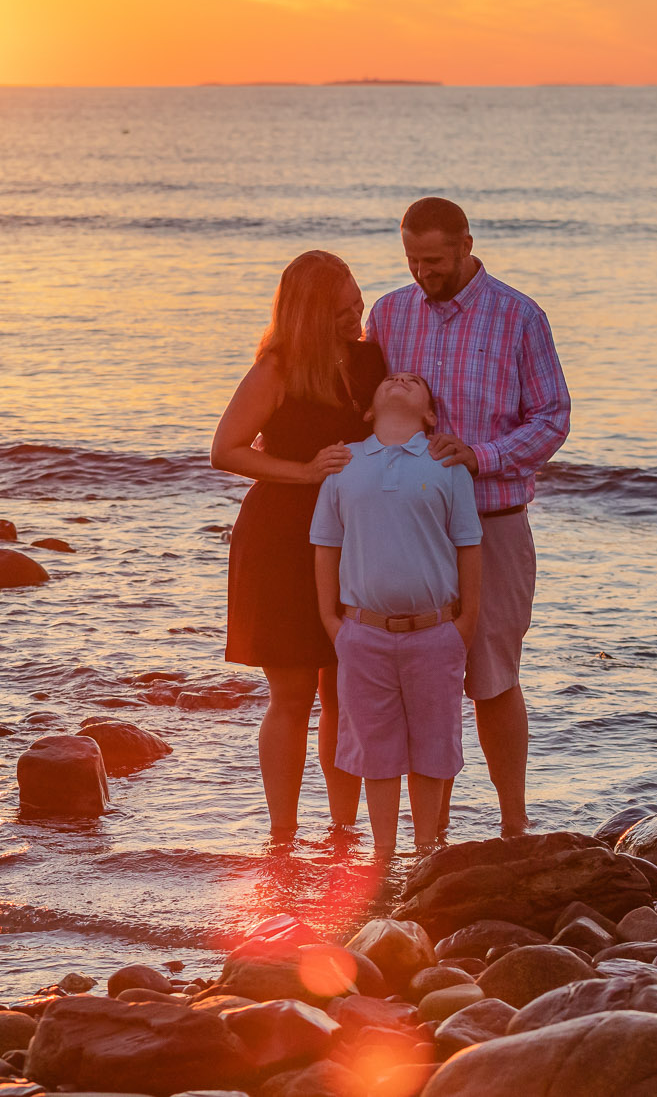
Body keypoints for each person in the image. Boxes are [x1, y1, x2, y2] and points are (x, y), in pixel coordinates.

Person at [366, 197, 569, 838]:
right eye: (411, 259)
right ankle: (435, 837)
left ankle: (514, 825)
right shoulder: (389, 313)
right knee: (424, 684)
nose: (422, 272)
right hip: (409, 529)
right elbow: (367, 408)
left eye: (433, 260)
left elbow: (553, 418)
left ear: (465, 245)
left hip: (493, 520)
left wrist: (482, 456)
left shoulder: (519, 316)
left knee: (492, 677)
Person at [212, 250, 386, 843]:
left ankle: (343, 830)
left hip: (354, 540)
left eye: (358, 303)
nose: (355, 317)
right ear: (310, 313)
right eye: (342, 310)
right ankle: (282, 834)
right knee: (291, 694)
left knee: (345, 689)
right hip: (281, 539)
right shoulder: (277, 370)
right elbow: (227, 450)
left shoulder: (369, 362)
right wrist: (306, 471)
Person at [311, 371, 481, 855]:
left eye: (414, 381)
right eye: (388, 379)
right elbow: (326, 544)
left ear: (430, 414)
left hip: (436, 630)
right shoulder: (346, 462)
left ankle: (426, 850)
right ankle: (383, 855)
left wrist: (464, 624)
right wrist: (331, 620)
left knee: (434, 746)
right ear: (368, 409)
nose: (400, 380)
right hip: (363, 632)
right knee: (375, 751)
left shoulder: (445, 464)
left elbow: (470, 546)